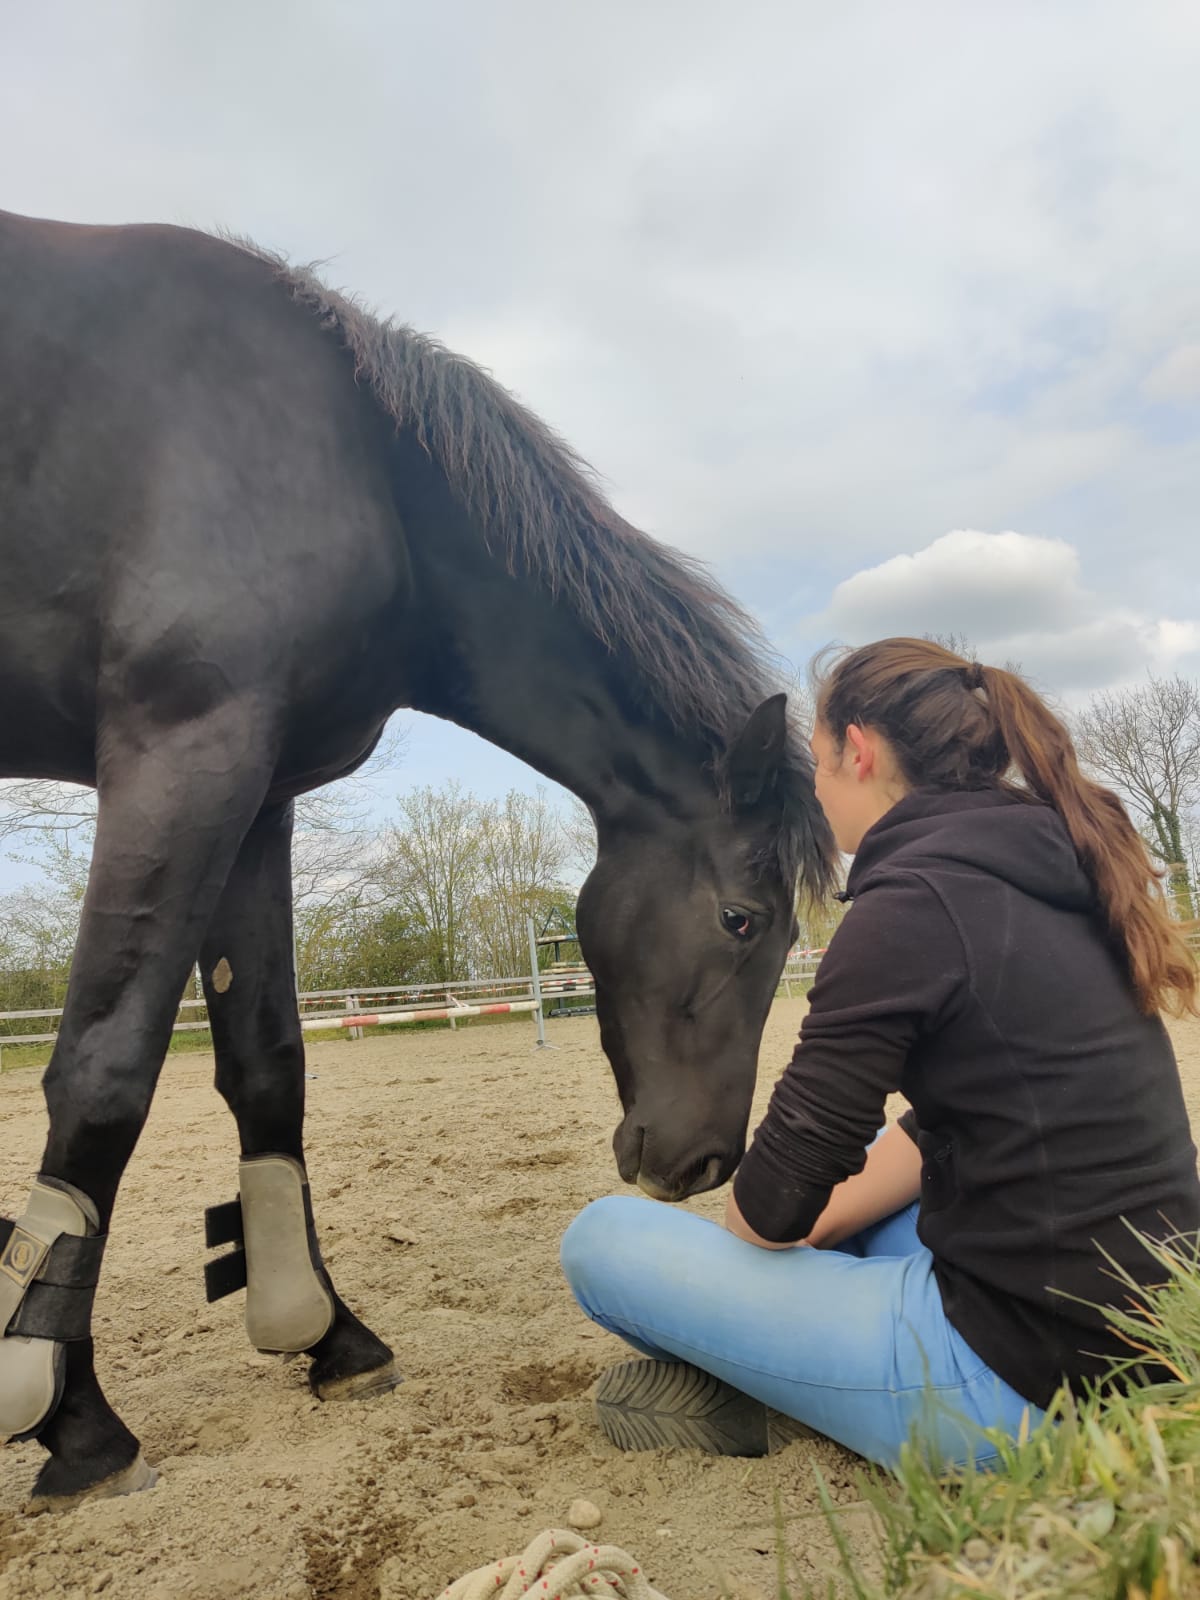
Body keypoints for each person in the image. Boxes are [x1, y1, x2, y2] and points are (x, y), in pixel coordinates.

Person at [560, 638, 1200, 1471]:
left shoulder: (907, 903)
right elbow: (957, 1120)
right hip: (1149, 1334)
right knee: (858, 1193)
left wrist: (801, 1220)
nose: (816, 797)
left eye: (817, 766)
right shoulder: (1058, 863)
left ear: (856, 751)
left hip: (1024, 1389)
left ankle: (808, 1399)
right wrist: (832, 1214)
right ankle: (811, 1380)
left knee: (603, 1244)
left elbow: (765, 1212)